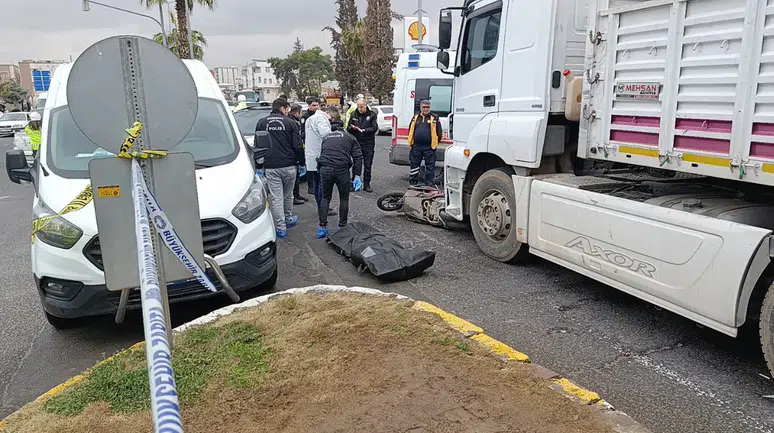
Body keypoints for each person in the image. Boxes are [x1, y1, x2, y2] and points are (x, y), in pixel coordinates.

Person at [255, 98, 305, 238]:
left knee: (276, 197)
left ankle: (280, 227)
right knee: (288, 195)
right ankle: (288, 218)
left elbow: (258, 146)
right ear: (283, 108)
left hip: (271, 166)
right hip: (289, 165)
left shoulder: (262, 123)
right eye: (287, 108)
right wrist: (302, 163)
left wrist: (259, 165)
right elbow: (297, 145)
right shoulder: (290, 123)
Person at [316, 106, 363, 238]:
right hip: (341, 170)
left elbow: (323, 153)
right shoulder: (350, 137)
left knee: (325, 197)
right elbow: (358, 157)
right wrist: (357, 175)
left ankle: (322, 226)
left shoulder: (326, 138)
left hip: (325, 168)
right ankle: (342, 226)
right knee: (344, 198)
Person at [408, 99, 443, 186]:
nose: (426, 109)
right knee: (414, 166)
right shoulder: (415, 117)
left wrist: (435, 143)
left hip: (429, 147)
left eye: (428, 107)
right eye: (424, 107)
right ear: (420, 107)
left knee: (430, 167)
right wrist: (412, 143)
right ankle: (413, 183)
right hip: (416, 146)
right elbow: (410, 129)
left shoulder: (434, 117)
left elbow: (439, 132)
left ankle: (429, 184)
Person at [347, 98, 378, 192]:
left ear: (365, 105)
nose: (360, 109)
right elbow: (348, 127)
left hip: (368, 143)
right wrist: (352, 128)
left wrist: (364, 130)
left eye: (362, 107)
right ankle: (354, 183)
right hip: (357, 142)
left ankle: (367, 184)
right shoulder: (354, 114)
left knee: (368, 165)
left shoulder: (372, 115)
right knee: (356, 163)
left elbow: (374, 128)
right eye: (358, 106)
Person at [288, 104, 309, 205]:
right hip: (293, 152)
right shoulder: (291, 122)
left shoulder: (293, 120)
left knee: (296, 177)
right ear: (297, 112)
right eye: (300, 113)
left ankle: (297, 194)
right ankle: (294, 196)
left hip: (293, 152)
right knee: (294, 178)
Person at [301, 96, 321, 194]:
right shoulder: (305, 117)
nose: (316, 107)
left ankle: (318, 182)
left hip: (318, 143)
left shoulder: (320, 115)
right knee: (310, 166)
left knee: (318, 165)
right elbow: (303, 132)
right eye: (314, 105)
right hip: (308, 144)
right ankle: (311, 185)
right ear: (309, 105)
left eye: (317, 105)